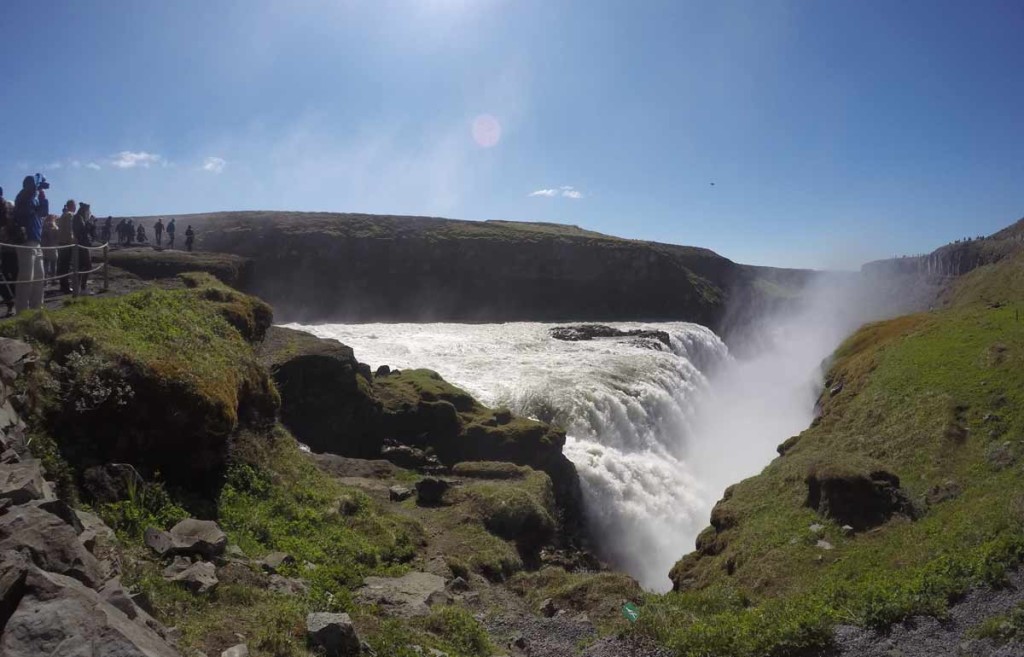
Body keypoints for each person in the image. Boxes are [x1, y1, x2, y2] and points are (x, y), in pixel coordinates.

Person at [13, 175, 47, 313]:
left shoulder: (34, 199)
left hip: (36, 241)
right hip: (25, 241)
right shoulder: (23, 198)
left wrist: (43, 198)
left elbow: (43, 212)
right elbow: (26, 211)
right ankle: (22, 312)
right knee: (26, 277)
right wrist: (35, 187)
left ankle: (37, 309)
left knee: (39, 277)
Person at [72, 202, 94, 295]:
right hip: (82, 245)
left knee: (80, 267)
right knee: (87, 266)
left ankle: (78, 288)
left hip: (81, 245)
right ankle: (82, 288)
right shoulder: (79, 218)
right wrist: (89, 224)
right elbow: (82, 232)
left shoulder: (78, 217)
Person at [0, 189, 15, 315]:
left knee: (8, 273)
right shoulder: (10, 204)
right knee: (8, 274)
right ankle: (11, 302)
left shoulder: (7, 206)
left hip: (8, 245)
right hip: (9, 246)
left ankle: (11, 302)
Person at [57, 200, 76, 294]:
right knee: (66, 265)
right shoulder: (69, 215)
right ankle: (66, 286)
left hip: (61, 242)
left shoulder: (62, 216)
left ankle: (63, 285)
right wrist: (73, 241)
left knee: (62, 265)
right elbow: (70, 230)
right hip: (67, 243)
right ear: (71, 206)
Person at [41, 214, 59, 282]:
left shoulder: (43, 227)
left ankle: (45, 280)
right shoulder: (55, 227)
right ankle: (53, 279)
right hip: (53, 248)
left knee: (45, 265)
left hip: (45, 248)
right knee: (53, 265)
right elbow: (57, 238)